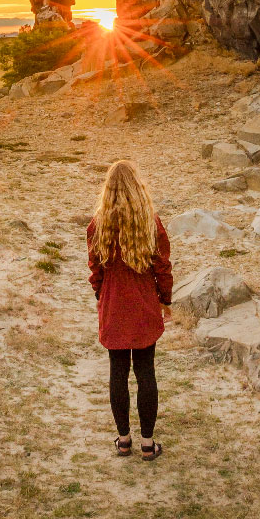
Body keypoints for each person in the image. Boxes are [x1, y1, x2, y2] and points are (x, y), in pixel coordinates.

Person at [86, 159, 172, 461]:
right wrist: (165, 299)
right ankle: (148, 445)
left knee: (118, 373)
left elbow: (95, 269)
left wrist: (102, 294)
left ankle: (124, 442)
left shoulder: (99, 225)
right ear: (138, 188)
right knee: (146, 372)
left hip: (114, 307)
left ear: (107, 190)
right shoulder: (150, 221)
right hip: (144, 305)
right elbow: (162, 266)